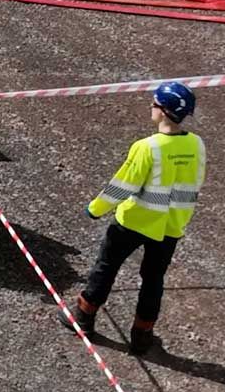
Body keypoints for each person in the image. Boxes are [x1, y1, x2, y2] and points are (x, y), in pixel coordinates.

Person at [68, 81, 205, 355]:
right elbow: (195, 182)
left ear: (164, 111)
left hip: (134, 222)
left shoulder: (148, 147)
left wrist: (96, 208)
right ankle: (142, 335)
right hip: (170, 227)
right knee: (154, 280)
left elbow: (123, 185)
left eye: (154, 104)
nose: (151, 107)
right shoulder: (196, 145)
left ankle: (83, 316)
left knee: (106, 267)